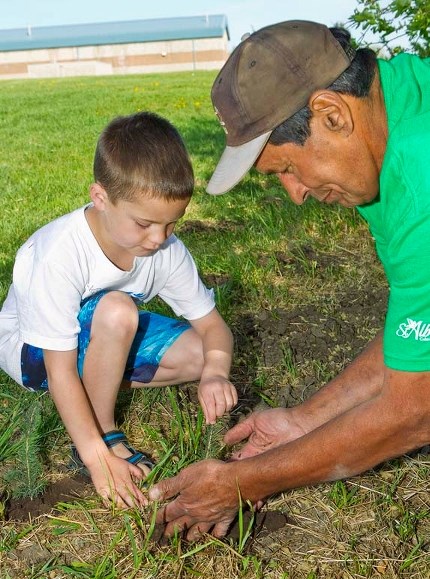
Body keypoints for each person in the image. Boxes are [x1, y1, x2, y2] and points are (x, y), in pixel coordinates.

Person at [148, 20, 430, 540]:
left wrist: (242, 483)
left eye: (288, 169)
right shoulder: (392, 118)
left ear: (331, 114)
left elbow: (414, 408)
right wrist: (304, 420)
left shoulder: (419, 177)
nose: (295, 194)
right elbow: (415, 338)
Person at [0, 111, 238, 508]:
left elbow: (214, 327)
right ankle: (102, 432)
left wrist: (215, 374)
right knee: (117, 310)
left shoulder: (163, 248)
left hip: (101, 336)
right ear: (101, 198)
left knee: (201, 354)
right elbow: (59, 370)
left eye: (172, 224)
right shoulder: (59, 253)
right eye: (145, 223)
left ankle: (97, 380)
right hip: (34, 353)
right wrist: (98, 458)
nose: (159, 238)